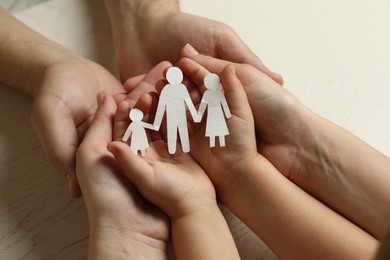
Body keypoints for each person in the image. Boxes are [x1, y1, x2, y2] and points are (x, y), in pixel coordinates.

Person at [0, 0, 283, 198]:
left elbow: (184, 107)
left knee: (182, 137)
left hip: (180, 122)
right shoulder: (176, 91)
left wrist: (144, 18)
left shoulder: (179, 90)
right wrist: (44, 66)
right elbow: (168, 113)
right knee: (175, 138)